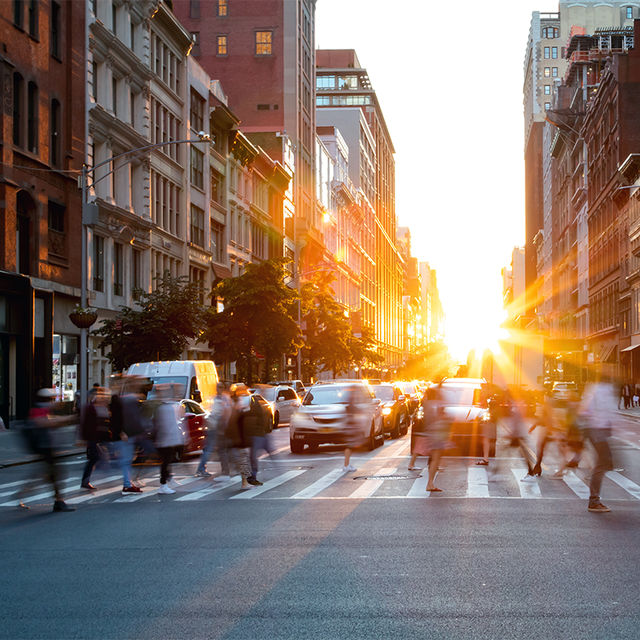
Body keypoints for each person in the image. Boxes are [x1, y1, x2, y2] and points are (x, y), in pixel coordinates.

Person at [19, 389, 76, 512]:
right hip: (45, 447)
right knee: (55, 474)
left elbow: (50, 420)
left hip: (48, 447)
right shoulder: (37, 410)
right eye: (51, 399)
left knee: (46, 473)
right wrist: (64, 419)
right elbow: (43, 423)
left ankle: (24, 492)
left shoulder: (43, 409)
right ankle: (58, 502)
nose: (53, 401)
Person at [580, 379, 616, 513]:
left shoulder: (602, 389)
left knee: (606, 462)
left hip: (597, 431)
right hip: (595, 431)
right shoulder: (597, 389)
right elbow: (584, 410)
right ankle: (594, 501)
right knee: (602, 463)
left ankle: (594, 500)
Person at [154, 384, 185, 495]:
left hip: (168, 439)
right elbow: (163, 425)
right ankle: (163, 484)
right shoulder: (163, 407)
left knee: (167, 461)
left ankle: (168, 479)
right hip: (165, 440)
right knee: (166, 462)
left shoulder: (168, 405)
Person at [79, 387, 111, 490]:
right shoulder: (90, 407)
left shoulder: (104, 407)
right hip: (92, 437)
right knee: (94, 458)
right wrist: (84, 438)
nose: (101, 397)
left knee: (95, 458)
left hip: (101, 437)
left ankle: (86, 480)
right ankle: (85, 480)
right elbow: (85, 424)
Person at [226, 384, 254, 490]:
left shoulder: (240, 407)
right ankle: (244, 482)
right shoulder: (237, 407)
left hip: (241, 438)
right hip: (239, 438)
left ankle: (244, 481)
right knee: (243, 460)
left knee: (244, 460)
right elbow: (233, 423)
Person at [247, 396, 275, 486]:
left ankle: (251, 476)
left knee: (252, 457)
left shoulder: (253, 411)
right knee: (252, 457)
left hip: (257, 436)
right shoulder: (255, 409)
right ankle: (251, 476)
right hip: (257, 435)